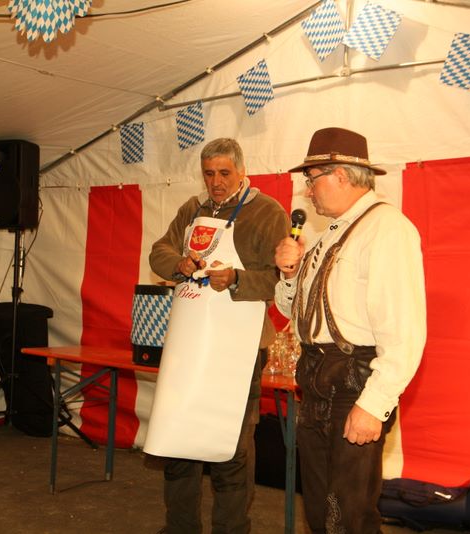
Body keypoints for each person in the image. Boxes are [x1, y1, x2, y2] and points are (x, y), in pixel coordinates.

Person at [273, 127, 427, 533]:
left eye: (312, 179)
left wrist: (374, 403)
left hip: (354, 382)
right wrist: (289, 274)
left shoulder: (387, 229)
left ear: (340, 175)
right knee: (321, 509)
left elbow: (404, 328)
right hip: (317, 379)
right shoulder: (331, 233)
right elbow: (294, 314)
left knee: (349, 513)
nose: (308, 191)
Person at [148, 137, 289, 534]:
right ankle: (179, 528)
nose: (216, 182)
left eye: (224, 173)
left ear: (242, 172)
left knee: (232, 445)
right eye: (209, 173)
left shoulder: (267, 212)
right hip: (190, 342)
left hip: (238, 348)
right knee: (177, 437)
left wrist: (237, 279)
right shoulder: (192, 209)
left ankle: (231, 528)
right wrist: (179, 262)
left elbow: (281, 279)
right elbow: (158, 251)